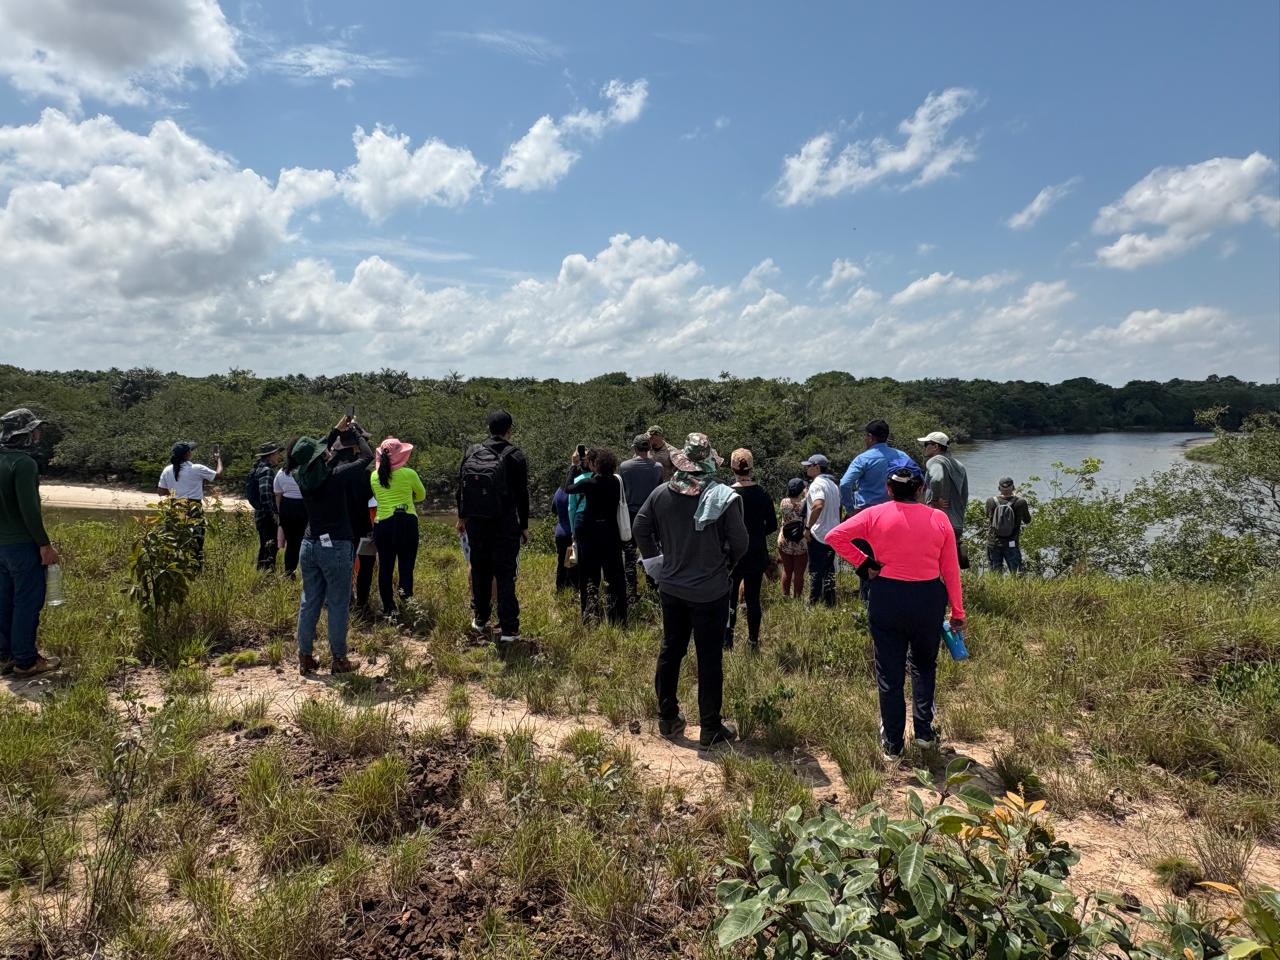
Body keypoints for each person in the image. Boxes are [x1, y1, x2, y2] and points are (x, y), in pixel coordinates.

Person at [825, 457, 966, 760]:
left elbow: (833, 536)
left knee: (889, 671)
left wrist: (864, 564)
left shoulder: (875, 514)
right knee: (924, 665)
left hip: (887, 596)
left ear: (889, 489)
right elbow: (950, 569)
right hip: (928, 598)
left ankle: (892, 742)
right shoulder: (939, 519)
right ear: (921, 488)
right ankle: (925, 733)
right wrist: (957, 612)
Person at [634, 433, 747, 748]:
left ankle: (668, 717)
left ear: (682, 461)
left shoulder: (660, 494)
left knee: (672, 649)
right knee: (709, 657)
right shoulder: (723, 497)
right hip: (710, 591)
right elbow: (741, 542)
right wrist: (725, 566)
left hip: (671, 588)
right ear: (709, 462)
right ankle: (710, 727)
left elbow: (640, 527)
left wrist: (656, 564)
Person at [291, 415, 373, 674]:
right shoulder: (335, 476)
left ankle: (305, 656)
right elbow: (367, 457)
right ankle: (339, 659)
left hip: (309, 544)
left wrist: (335, 431)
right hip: (335, 545)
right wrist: (356, 433)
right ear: (319, 457)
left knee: (309, 601)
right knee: (338, 603)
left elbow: (313, 454)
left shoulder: (300, 475)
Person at [457, 410, 529, 643]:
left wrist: (462, 517)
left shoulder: (472, 452)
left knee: (480, 570)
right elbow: (522, 495)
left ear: (489, 428)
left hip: (476, 522)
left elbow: (461, 488)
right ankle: (509, 629)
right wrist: (524, 525)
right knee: (505, 574)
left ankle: (480, 620)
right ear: (509, 430)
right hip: (504, 523)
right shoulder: (515, 455)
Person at [0, 408, 61, 677]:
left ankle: (5, 656)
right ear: (24, 433)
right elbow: (29, 510)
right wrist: (45, 545)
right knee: (27, 600)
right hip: (21, 545)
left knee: (4, 599)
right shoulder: (23, 464)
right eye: (34, 430)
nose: (37, 434)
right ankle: (26, 660)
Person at [565, 448, 628, 625]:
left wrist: (574, 466)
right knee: (615, 576)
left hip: (590, 533)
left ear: (595, 465)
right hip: (611, 532)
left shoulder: (589, 484)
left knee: (588, 575)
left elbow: (568, 488)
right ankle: (618, 618)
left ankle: (590, 616)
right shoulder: (616, 482)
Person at [724, 448, 777, 650]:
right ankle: (753, 641)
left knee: (730, 597)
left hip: (732, 553)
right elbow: (772, 525)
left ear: (732, 467)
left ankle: (727, 640)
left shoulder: (728, 493)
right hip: (756, 551)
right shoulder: (763, 494)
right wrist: (755, 534)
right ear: (752, 467)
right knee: (753, 598)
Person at [370, 437, 425, 617]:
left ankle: (388, 608)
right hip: (406, 522)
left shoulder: (374, 476)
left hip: (382, 524)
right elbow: (421, 495)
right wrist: (409, 500)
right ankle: (407, 604)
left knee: (385, 567)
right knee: (406, 566)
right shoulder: (409, 474)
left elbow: (379, 498)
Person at [157, 440, 222, 568]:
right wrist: (218, 460)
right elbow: (219, 475)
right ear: (187, 454)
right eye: (190, 451)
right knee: (196, 541)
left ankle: (175, 567)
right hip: (194, 508)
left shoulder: (167, 470)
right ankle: (196, 570)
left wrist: (176, 491)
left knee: (174, 540)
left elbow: (161, 492)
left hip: (175, 507)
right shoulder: (197, 468)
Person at [619, 433, 663, 604]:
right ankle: (653, 591)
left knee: (629, 555)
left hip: (630, 515)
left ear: (635, 449)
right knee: (651, 555)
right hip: (650, 516)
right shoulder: (657, 467)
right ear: (649, 448)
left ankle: (631, 593)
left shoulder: (624, 466)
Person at [919, 430, 970, 566]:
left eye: (926, 444)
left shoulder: (935, 460)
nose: (924, 447)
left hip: (938, 523)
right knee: (950, 566)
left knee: (932, 566)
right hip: (956, 524)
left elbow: (937, 478)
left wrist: (934, 500)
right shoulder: (960, 466)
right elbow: (964, 495)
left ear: (936, 447)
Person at [840, 420, 908, 515]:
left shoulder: (863, 459)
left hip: (866, 512)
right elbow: (919, 480)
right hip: (894, 511)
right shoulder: (902, 456)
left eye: (866, 436)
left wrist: (850, 509)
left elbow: (845, 484)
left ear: (870, 437)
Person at [801, 454, 841, 607]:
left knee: (815, 569)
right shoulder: (833, 485)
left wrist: (807, 528)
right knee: (829, 569)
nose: (807, 468)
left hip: (818, 534)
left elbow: (818, 505)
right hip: (832, 533)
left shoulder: (817, 484)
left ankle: (813, 602)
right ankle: (830, 601)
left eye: (809, 466)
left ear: (817, 467)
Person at [247, 441, 283, 571]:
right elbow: (266, 494)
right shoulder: (267, 471)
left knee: (265, 546)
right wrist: (274, 514)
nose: (279, 456)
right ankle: (267, 574)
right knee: (270, 547)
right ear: (271, 455)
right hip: (267, 516)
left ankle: (262, 573)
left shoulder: (258, 469)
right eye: (277, 453)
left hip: (261, 515)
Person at [274, 438, 307, 578]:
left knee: (292, 544)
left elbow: (278, 496)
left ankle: (289, 573)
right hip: (304, 508)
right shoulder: (306, 471)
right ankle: (305, 573)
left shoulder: (281, 473)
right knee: (306, 541)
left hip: (287, 509)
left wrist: (280, 514)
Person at [985, 477, 1032, 574]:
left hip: (993, 542)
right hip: (1012, 543)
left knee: (994, 573)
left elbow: (987, 516)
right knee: (1017, 573)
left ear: (999, 488)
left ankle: (995, 589)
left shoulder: (990, 501)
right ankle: (1017, 589)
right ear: (1013, 487)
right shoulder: (1020, 502)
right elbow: (1027, 520)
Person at [776, 478, 809, 599]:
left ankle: (785, 596)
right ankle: (797, 598)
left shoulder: (784, 502)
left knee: (787, 571)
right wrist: (806, 493)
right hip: (801, 541)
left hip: (785, 541)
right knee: (799, 574)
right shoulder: (805, 503)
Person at [552, 483, 576, 592]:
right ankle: (569, 591)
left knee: (561, 563)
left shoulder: (558, 491)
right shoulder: (573, 492)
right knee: (570, 565)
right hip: (569, 534)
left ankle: (559, 589)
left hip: (559, 532)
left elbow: (553, 510)